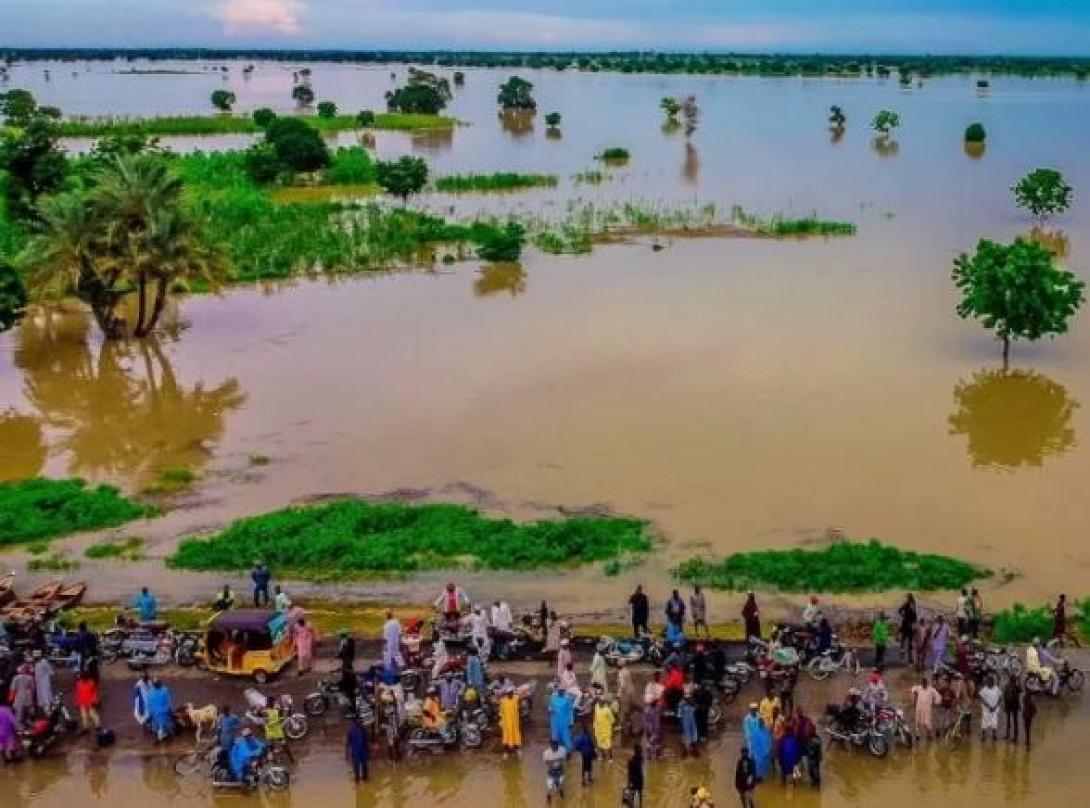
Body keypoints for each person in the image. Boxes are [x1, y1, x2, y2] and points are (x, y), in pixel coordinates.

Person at [743, 703, 772, 780]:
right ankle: (752, 772)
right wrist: (752, 737)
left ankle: (760, 773)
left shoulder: (759, 717)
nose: (754, 711)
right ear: (750, 710)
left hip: (760, 739)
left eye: (755, 709)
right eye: (752, 709)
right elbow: (747, 730)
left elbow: (763, 726)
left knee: (760, 756)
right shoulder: (747, 719)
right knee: (751, 755)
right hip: (751, 740)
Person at [911, 675, 940, 740]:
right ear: (922, 683)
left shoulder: (931, 689)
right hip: (919, 707)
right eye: (923, 683)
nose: (924, 684)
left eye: (925, 683)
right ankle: (917, 735)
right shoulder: (918, 688)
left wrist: (935, 703)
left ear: (927, 683)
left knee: (927, 722)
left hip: (927, 708)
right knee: (917, 721)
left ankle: (929, 735)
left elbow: (938, 696)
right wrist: (914, 695)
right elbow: (912, 689)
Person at [548, 685, 574, 751]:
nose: (561, 692)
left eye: (562, 690)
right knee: (555, 736)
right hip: (555, 721)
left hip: (564, 722)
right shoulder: (553, 698)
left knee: (565, 737)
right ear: (557, 691)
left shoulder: (567, 699)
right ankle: (556, 751)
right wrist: (551, 710)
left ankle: (568, 751)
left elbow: (570, 711)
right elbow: (550, 708)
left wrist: (571, 722)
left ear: (564, 691)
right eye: (559, 690)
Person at [499, 686, 522, 757]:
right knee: (506, 738)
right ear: (507, 694)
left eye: (511, 693)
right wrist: (502, 722)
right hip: (507, 724)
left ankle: (517, 750)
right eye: (509, 693)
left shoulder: (516, 699)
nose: (511, 695)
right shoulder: (503, 701)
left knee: (516, 737)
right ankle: (506, 752)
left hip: (514, 723)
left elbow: (521, 694)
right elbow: (501, 712)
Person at [345, 717, 369, 782]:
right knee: (356, 770)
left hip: (363, 752)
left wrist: (368, 753)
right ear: (355, 723)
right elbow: (347, 744)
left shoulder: (364, 730)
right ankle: (357, 782)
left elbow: (366, 742)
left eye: (361, 722)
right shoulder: (351, 731)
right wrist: (346, 754)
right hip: (355, 752)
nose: (360, 723)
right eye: (359, 722)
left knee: (365, 768)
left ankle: (365, 780)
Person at [978, 674, 1001, 742]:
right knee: (984, 722)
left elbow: (1000, 698)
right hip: (986, 709)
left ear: (993, 681)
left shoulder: (997, 689)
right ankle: (983, 736)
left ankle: (994, 735)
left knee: (994, 722)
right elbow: (981, 699)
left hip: (995, 709)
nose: (990, 682)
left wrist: (996, 706)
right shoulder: (984, 689)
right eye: (989, 681)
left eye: (991, 681)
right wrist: (988, 706)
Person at [544, 738, 567, 803]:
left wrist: (560, 764)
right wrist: (552, 766)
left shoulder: (563, 750)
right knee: (550, 787)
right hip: (551, 773)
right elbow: (546, 763)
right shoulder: (546, 753)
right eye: (552, 745)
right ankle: (548, 797)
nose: (554, 746)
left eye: (555, 744)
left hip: (560, 772)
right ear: (550, 745)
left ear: (557, 744)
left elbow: (564, 760)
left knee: (560, 784)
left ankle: (561, 792)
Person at [1003, 675, 1021, 743]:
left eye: (1013, 680)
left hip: (1013, 705)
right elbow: (1005, 696)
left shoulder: (1013, 686)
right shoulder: (1009, 686)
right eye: (1013, 680)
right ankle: (1010, 736)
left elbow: (1021, 690)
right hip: (1011, 705)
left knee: (1012, 721)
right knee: (1012, 721)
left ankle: (1013, 736)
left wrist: (1018, 682)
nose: (1013, 681)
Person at [679, 691, 698, 756]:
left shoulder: (693, 703)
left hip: (692, 722)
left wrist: (691, 703)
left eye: (689, 697)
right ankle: (685, 751)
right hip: (685, 722)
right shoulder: (681, 704)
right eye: (686, 697)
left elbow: (695, 708)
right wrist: (680, 723)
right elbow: (679, 714)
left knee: (693, 735)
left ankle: (694, 750)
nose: (687, 698)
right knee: (685, 736)